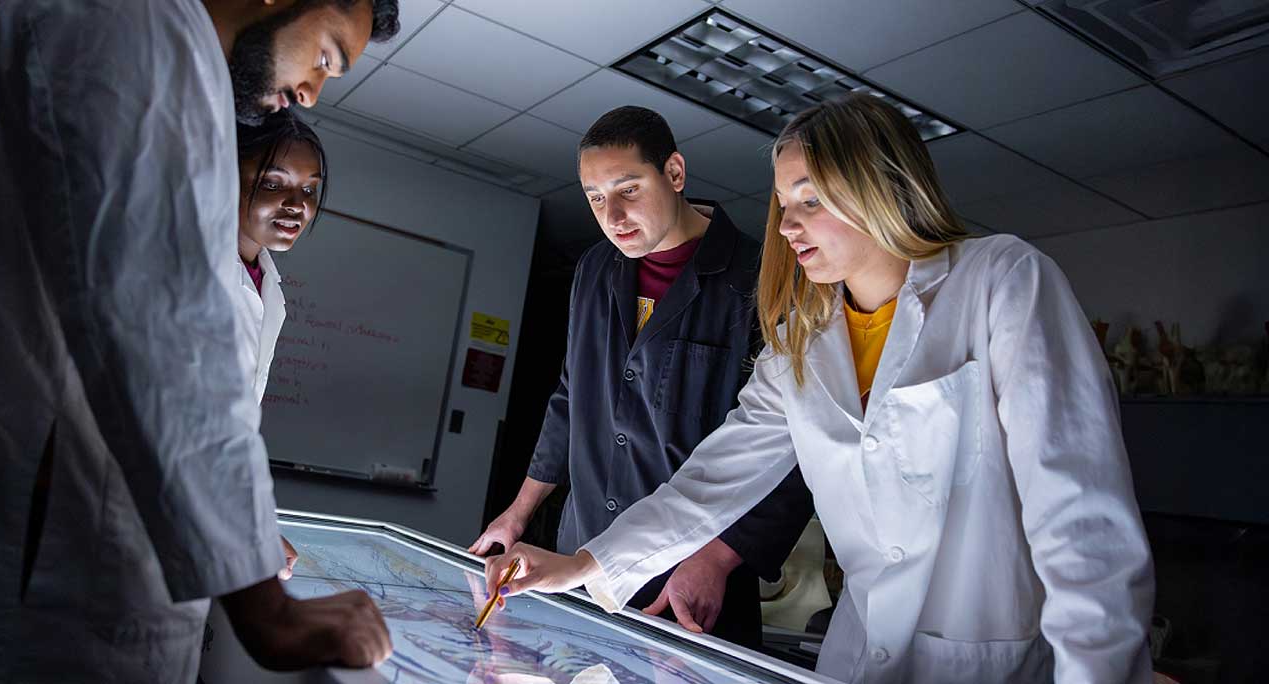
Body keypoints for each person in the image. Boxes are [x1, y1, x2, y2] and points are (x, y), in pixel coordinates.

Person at [0, 0, 400, 680]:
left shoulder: (159, 43)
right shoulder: (137, 23)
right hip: (4, 575)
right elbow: (164, 326)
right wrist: (267, 607)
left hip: (28, 553)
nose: (312, 91)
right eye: (325, 57)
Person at [484, 93, 1156, 683]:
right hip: (857, 654)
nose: (785, 225)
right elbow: (711, 479)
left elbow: (1080, 518)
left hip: (990, 659)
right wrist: (581, 565)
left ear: (881, 186)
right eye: (782, 203)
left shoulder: (1002, 282)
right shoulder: (803, 336)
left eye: (810, 197)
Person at [468, 106, 814, 649]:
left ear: (674, 173)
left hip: (690, 575)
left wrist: (715, 559)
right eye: (596, 197)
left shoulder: (765, 276)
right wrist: (518, 512)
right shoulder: (593, 269)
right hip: (579, 558)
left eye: (628, 189)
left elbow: (794, 447)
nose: (613, 215)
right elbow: (569, 399)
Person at [230, 110, 329, 578]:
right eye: (273, 183)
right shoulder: (184, 271)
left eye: (309, 190)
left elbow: (234, 430)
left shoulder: (268, 286)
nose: (297, 204)